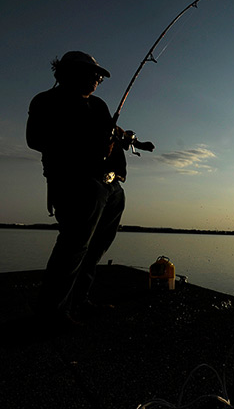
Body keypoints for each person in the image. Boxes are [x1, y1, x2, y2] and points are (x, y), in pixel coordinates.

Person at [26, 51, 153, 329]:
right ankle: (51, 312)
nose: (97, 78)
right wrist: (87, 142)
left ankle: (79, 300)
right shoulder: (46, 101)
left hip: (110, 184)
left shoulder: (98, 105)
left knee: (96, 247)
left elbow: (112, 131)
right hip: (76, 184)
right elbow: (35, 139)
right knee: (73, 246)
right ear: (66, 73)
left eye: (99, 76)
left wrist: (132, 140)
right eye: (92, 73)